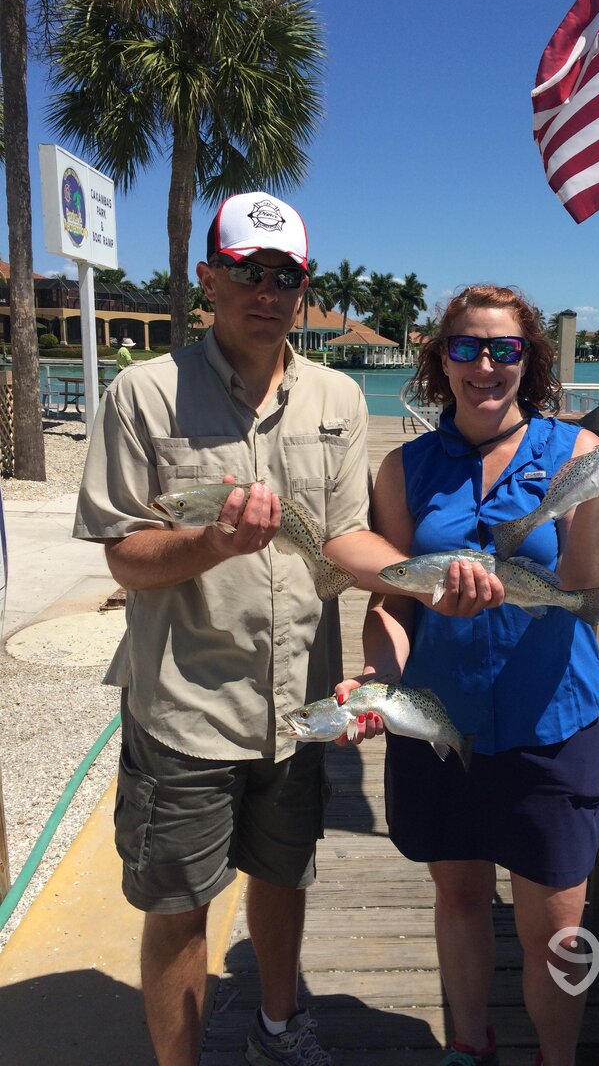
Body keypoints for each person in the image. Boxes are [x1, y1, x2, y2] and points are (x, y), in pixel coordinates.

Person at [74, 191, 397, 1066]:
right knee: (177, 906)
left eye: (285, 275)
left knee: (285, 876)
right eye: (247, 272)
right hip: (185, 707)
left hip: (296, 705)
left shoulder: (338, 394)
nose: (267, 291)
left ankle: (278, 1028)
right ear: (207, 277)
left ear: (304, 288)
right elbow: (124, 557)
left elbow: (341, 539)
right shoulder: (143, 392)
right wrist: (213, 542)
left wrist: (419, 585)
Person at [338, 285, 599, 1066]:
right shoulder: (405, 468)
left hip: (551, 721)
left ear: (531, 363)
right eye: (465, 348)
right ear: (439, 362)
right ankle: (469, 1045)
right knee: (458, 900)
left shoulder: (575, 452)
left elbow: (589, 588)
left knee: (556, 930)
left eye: (505, 349)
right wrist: (376, 682)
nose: (485, 364)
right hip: (439, 719)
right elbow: (391, 605)